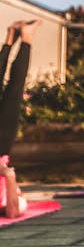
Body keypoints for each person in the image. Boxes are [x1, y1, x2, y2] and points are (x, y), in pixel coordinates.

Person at [0, 20, 39, 218]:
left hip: (2, 144)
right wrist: (8, 175)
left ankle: (18, 37)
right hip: (2, 149)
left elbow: (12, 211)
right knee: (13, 90)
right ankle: (18, 37)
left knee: (13, 89)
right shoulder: (12, 200)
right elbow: (13, 211)